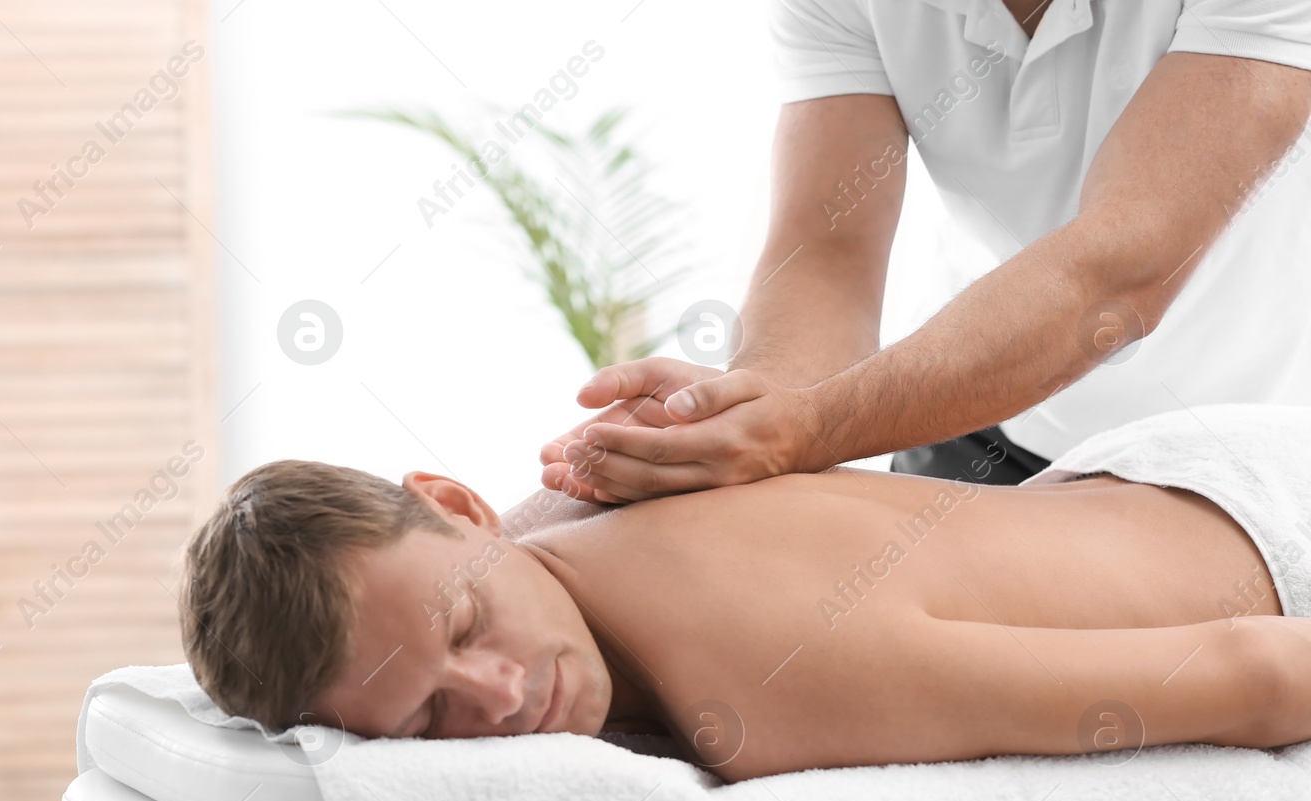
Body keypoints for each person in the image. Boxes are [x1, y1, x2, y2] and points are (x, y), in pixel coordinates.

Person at [178, 405, 1311, 785]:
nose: (502, 692)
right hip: (1154, 475)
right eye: (426, 714)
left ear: (464, 508)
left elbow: (1256, 677)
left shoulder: (770, 673)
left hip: (1272, 531)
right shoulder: (544, 521)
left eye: (465, 627)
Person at [539, 0, 1311, 501]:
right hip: (986, 425)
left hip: (1253, 450)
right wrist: (737, 413)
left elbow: (1120, 274)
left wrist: (805, 426)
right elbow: (826, 259)